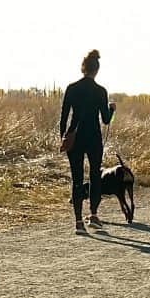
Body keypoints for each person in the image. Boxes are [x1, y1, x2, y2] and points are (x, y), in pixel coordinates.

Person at [59, 50, 116, 233]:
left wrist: (64, 137)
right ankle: (93, 215)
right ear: (96, 70)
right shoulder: (101, 91)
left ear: (83, 68)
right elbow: (106, 120)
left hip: (75, 137)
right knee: (94, 177)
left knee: (76, 179)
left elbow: (63, 117)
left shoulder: (72, 88)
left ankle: (78, 222)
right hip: (93, 138)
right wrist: (112, 109)